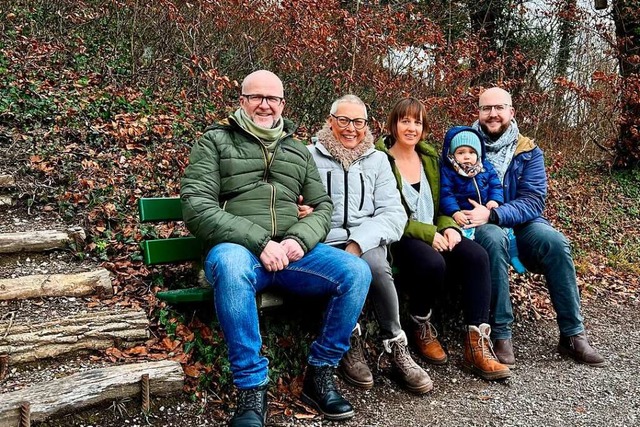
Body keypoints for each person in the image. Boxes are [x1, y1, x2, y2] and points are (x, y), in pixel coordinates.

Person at [180, 70, 372, 427]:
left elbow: (323, 206)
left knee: (357, 271)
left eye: (273, 98)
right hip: (238, 250)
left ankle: (320, 372)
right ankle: (252, 389)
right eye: (256, 97)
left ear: (283, 104)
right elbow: (197, 205)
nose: (265, 104)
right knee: (233, 265)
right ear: (242, 101)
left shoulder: (297, 150)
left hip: (291, 254)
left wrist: (298, 239)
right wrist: (259, 241)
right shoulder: (215, 142)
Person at [463, 87, 605, 368]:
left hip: (522, 224)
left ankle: (573, 333)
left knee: (555, 242)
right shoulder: (463, 147)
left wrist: (496, 214)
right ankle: (501, 334)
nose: (493, 114)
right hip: (478, 227)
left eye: (499, 108)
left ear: (511, 112)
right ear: (478, 113)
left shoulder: (528, 151)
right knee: (491, 238)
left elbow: (532, 201)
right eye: (486, 108)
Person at [375, 97, 512, 381]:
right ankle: (420, 322)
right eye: (405, 121)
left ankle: (477, 343)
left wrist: (449, 226)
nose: (411, 127)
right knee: (433, 263)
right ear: (393, 124)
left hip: (434, 229)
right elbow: (386, 213)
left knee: (476, 256)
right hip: (399, 235)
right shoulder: (380, 159)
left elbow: (442, 204)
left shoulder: (429, 158)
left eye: (418, 122)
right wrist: (430, 234)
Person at [306, 94, 432, 394]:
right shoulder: (309, 156)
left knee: (376, 265)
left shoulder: (378, 160)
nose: (352, 128)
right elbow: (292, 198)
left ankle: (395, 345)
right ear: (330, 121)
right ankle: (350, 340)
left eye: (359, 122)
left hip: (368, 239)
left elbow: (393, 213)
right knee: (337, 270)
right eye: (344, 120)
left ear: (367, 125)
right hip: (322, 240)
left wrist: (359, 242)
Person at [439, 125, 503, 241]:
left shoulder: (485, 168)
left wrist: (494, 200)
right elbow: (446, 194)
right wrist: (454, 212)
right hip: (462, 216)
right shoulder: (448, 171)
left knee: (501, 233)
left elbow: (496, 186)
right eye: (461, 152)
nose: (467, 156)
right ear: (452, 154)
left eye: (472, 152)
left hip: (485, 213)